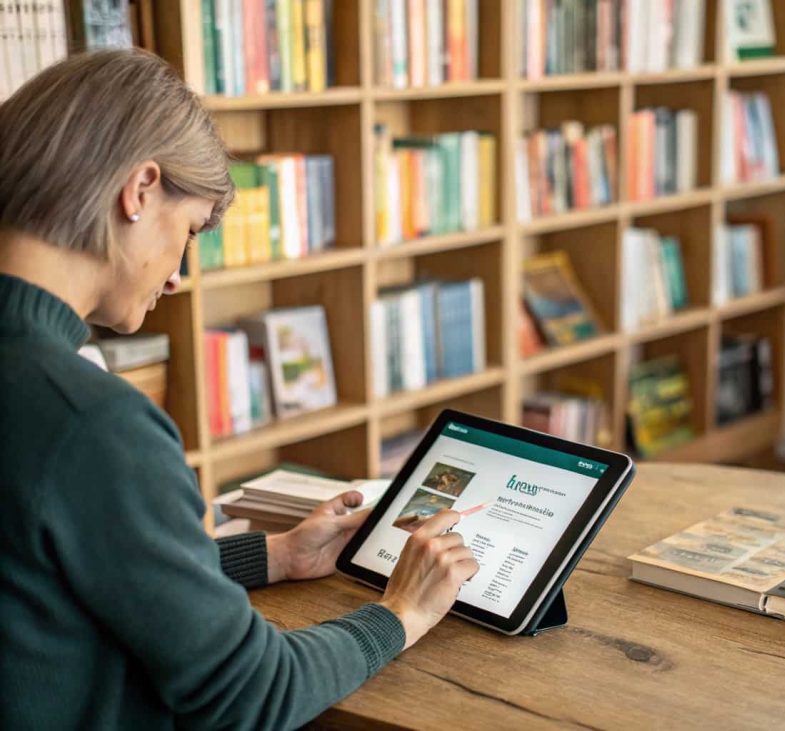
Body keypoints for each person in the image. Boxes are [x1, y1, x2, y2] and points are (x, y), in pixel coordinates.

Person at [0, 49, 479, 729]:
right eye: (190, 231)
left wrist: (275, 554)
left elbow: (64, 573)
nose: (175, 278)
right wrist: (400, 612)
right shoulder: (93, 425)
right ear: (139, 191)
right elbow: (252, 695)